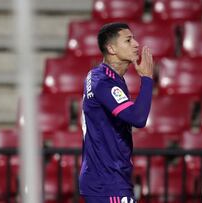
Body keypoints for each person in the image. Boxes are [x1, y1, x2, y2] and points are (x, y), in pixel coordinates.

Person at [79, 22, 154, 203]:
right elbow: (137, 118)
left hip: (106, 178)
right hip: (107, 181)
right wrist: (147, 79)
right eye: (128, 40)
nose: (136, 44)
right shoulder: (103, 82)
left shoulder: (102, 76)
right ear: (111, 48)